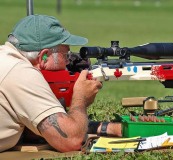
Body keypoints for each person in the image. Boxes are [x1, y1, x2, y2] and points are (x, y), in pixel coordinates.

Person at [0, 14, 121, 153]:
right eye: (66, 55)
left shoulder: (7, 60)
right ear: (44, 56)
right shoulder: (21, 73)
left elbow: (38, 129)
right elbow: (71, 141)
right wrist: (80, 99)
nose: (69, 62)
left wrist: (110, 128)